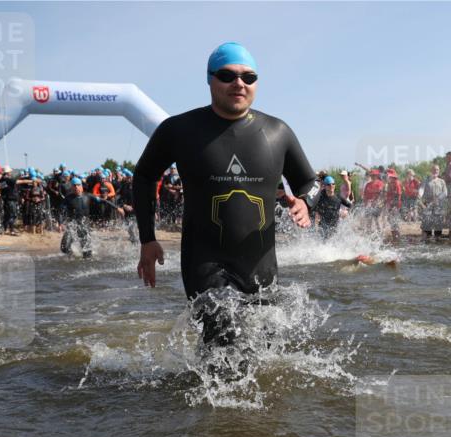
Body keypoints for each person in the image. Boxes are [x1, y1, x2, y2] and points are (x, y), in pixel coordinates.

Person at [132, 42, 317, 349]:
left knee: (263, 351)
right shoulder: (179, 129)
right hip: (205, 264)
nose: (239, 83)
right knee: (225, 342)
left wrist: (305, 203)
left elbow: (310, 182)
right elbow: (144, 176)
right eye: (227, 75)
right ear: (210, 79)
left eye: (248, 76)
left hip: (261, 265)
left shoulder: (277, 131)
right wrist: (147, 239)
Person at [61, 178, 96, 258]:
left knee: (87, 253)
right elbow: (61, 210)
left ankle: (86, 266)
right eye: (74, 186)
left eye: (78, 185)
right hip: (72, 225)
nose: (76, 187)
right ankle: (72, 257)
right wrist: (61, 222)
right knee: (64, 247)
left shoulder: (88, 196)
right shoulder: (68, 198)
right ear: (72, 188)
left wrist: (117, 208)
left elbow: (103, 201)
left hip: (84, 226)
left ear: (82, 186)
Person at [420, 164, 448, 237]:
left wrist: (438, 199)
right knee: (427, 225)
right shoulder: (426, 180)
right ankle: (427, 241)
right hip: (428, 204)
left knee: (438, 225)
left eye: (437, 169)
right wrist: (419, 194)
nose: (435, 171)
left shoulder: (442, 181)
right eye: (434, 169)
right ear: (431, 170)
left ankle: (437, 240)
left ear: (439, 171)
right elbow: (421, 189)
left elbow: (445, 193)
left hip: (438, 205)